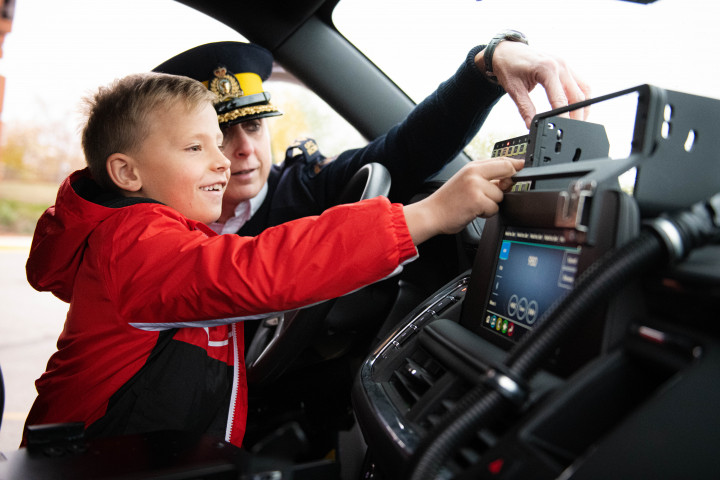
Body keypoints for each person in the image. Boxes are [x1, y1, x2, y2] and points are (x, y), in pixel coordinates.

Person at [22, 72, 523, 448]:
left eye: (219, 143)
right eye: (198, 147)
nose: (224, 159)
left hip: (129, 447)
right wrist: (427, 215)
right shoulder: (134, 241)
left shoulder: (151, 234)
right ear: (128, 174)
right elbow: (254, 271)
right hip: (97, 454)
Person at [151, 36, 589, 237]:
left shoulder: (308, 189)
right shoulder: (159, 223)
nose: (245, 148)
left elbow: (405, 149)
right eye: (221, 134)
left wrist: (486, 64)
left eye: (253, 125)